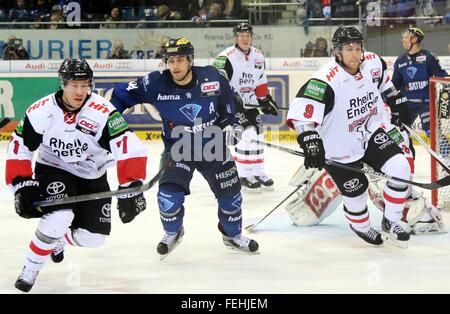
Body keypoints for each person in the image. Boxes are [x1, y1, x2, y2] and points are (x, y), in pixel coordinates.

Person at [5, 59, 148, 293]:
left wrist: (131, 188)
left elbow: (129, 147)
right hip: (54, 168)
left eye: (85, 85)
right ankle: (30, 269)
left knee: (94, 239)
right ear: (63, 84)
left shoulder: (103, 112)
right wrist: (21, 184)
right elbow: (20, 147)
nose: (80, 91)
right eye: (74, 85)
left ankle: (59, 239)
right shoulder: (41, 111)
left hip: (93, 174)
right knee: (59, 216)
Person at [110, 37, 259, 258]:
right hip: (178, 148)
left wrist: (231, 124)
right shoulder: (154, 83)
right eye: (170, 60)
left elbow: (229, 103)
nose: (175, 65)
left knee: (231, 197)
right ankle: (173, 232)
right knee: (168, 199)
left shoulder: (212, 77)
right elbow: (119, 96)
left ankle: (232, 235)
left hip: (213, 145)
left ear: (190, 60)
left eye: (180, 59)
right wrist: (110, 124)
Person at [286, 26, 413, 248]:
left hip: (369, 133)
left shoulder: (371, 63)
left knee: (401, 168)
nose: (355, 53)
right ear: (337, 52)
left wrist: (396, 100)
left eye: (358, 48)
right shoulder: (325, 80)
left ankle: (391, 221)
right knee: (357, 190)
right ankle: (361, 227)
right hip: (338, 146)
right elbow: (301, 115)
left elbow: (385, 84)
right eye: (349, 49)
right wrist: (310, 140)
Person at [285, 105, 445, 235]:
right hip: (347, 152)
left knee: (382, 184)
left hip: (374, 156)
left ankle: (397, 212)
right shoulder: (351, 104)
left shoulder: (388, 123)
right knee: (342, 176)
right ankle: (317, 185)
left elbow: (404, 164)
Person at [213, 22, 279, 193]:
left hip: (250, 102)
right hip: (232, 103)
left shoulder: (258, 55)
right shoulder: (225, 57)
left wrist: (265, 101)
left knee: (258, 133)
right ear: (235, 37)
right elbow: (215, 83)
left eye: (247, 34)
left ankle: (258, 172)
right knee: (247, 134)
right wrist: (226, 101)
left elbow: (261, 82)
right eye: (241, 35)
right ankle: (243, 174)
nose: (244, 38)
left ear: (251, 37)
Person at [392, 27, 448, 136]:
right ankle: (405, 153)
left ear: (415, 39)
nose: (403, 39)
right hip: (408, 104)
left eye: (407, 37)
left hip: (427, 103)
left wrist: (446, 96)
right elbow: (394, 85)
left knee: (433, 134)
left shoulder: (428, 57)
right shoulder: (400, 60)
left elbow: (442, 77)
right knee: (398, 134)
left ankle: (445, 153)